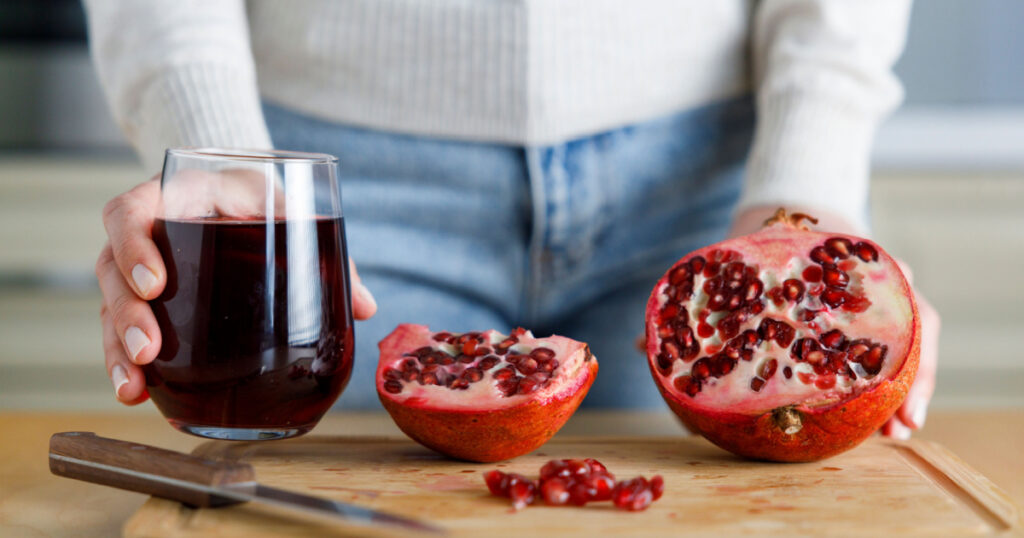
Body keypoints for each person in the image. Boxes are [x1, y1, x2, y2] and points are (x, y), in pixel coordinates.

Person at [84, 0, 939, 439]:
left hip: (707, 184)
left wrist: (805, 187)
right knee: (280, 509)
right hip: (316, 192)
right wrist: (217, 160)